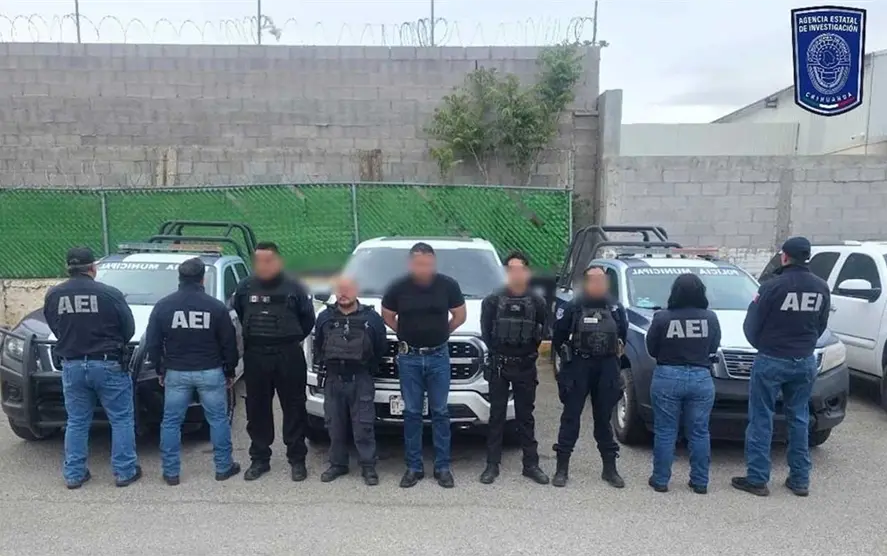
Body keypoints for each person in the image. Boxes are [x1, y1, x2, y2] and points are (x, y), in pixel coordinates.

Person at [733, 236, 830, 498]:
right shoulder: (821, 287)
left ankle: (757, 479)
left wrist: (764, 346)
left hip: (772, 359)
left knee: (761, 418)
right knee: (799, 418)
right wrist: (805, 344)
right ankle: (800, 479)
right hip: (804, 360)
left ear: (784, 256)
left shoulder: (771, 286)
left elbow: (752, 324)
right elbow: (821, 324)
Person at [43, 247, 139, 489]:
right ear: (93, 268)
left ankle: (74, 474)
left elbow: (55, 326)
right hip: (107, 363)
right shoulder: (109, 294)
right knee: (121, 419)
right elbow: (128, 329)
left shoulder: (54, 295)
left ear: (68, 268)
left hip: (72, 365)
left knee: (76, 421)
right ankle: (125, 472)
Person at [144, 258, 242, 486]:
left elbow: (153, 342)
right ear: (202, 279)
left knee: (171, 422)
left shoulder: (164, 305)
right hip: (210, 370)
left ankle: (171, 472)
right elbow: (229, 343)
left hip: (176, 371)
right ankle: (223, 467)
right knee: (218, 420)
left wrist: (159, 368)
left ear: (179, 278)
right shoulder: (215, 307)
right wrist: (229, 370)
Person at [381, 242, 466, 489]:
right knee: (412, 412)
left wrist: (441, 333)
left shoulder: (448, 285)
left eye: (428, 263)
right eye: (419, 264)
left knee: (440, 412)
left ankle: (443, 467)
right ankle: (414, 467)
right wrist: (406, 333)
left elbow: (459, 315)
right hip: (409, 358)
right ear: (411, 264)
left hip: (439, 357)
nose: (424, 268)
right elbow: (387, 315)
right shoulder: (398, 287)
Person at [231, 242, 316, 482]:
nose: (263, 265)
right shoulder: (245, 287)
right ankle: (259, 459)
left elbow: (307, 319)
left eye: (268, 261)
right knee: (257, 408)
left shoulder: (294, 287)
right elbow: (241, 313)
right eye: (259, 261)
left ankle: (297, 459)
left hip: (287, 354)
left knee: (294, 407)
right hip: (256, 355)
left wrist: (287, 339)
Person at [550, 266, 627, 488]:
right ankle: (562, 468)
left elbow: (623, 334)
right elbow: (558, 337)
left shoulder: (615, 307)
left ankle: (610, 469)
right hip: (579, 366)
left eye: (601, 280)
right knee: (571, 417)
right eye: (593, 280)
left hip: (607, 366)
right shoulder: (573, 306)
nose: (598, 284)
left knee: (603, 419)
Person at [645, 273, 721, 495]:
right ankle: (700, 481)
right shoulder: (710, 318)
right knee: (699, 432)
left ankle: (660, 480)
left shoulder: (662, 317)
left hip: (667, 376)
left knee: (665, 431)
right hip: (701, 377)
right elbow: (713, 346)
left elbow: (652, 349)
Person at [478, 251, 549, 485]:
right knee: (496, 416)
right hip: (500, 365)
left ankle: (531, 465)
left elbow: (541, 331)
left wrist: (525, 354)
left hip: (525, 366)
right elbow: (486, 332)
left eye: (520, 269)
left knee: (525, 417)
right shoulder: (492, 300)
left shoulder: (537, 301)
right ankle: (492, 465)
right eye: (511, 269)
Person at [313, 275, 387, 486]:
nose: (343, 293)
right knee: (334, 425)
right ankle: (338, 464)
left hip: (360, 378)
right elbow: (319, 346)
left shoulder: (372, 319)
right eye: (339, 289)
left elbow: (380, 347)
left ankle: (368, 465)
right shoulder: (325, 317)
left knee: (363, 425)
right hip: (334, 379)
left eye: (348, 289)